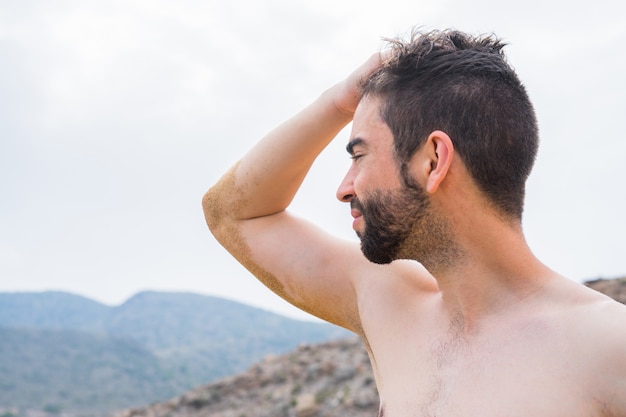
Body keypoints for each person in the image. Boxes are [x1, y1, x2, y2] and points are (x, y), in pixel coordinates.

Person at [202, 29, 626, 416]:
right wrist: (336, 101)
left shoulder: (607, 346)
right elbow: (232, 213)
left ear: (433, 161)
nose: (344, 188)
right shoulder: (391, 305)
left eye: (359, 155)